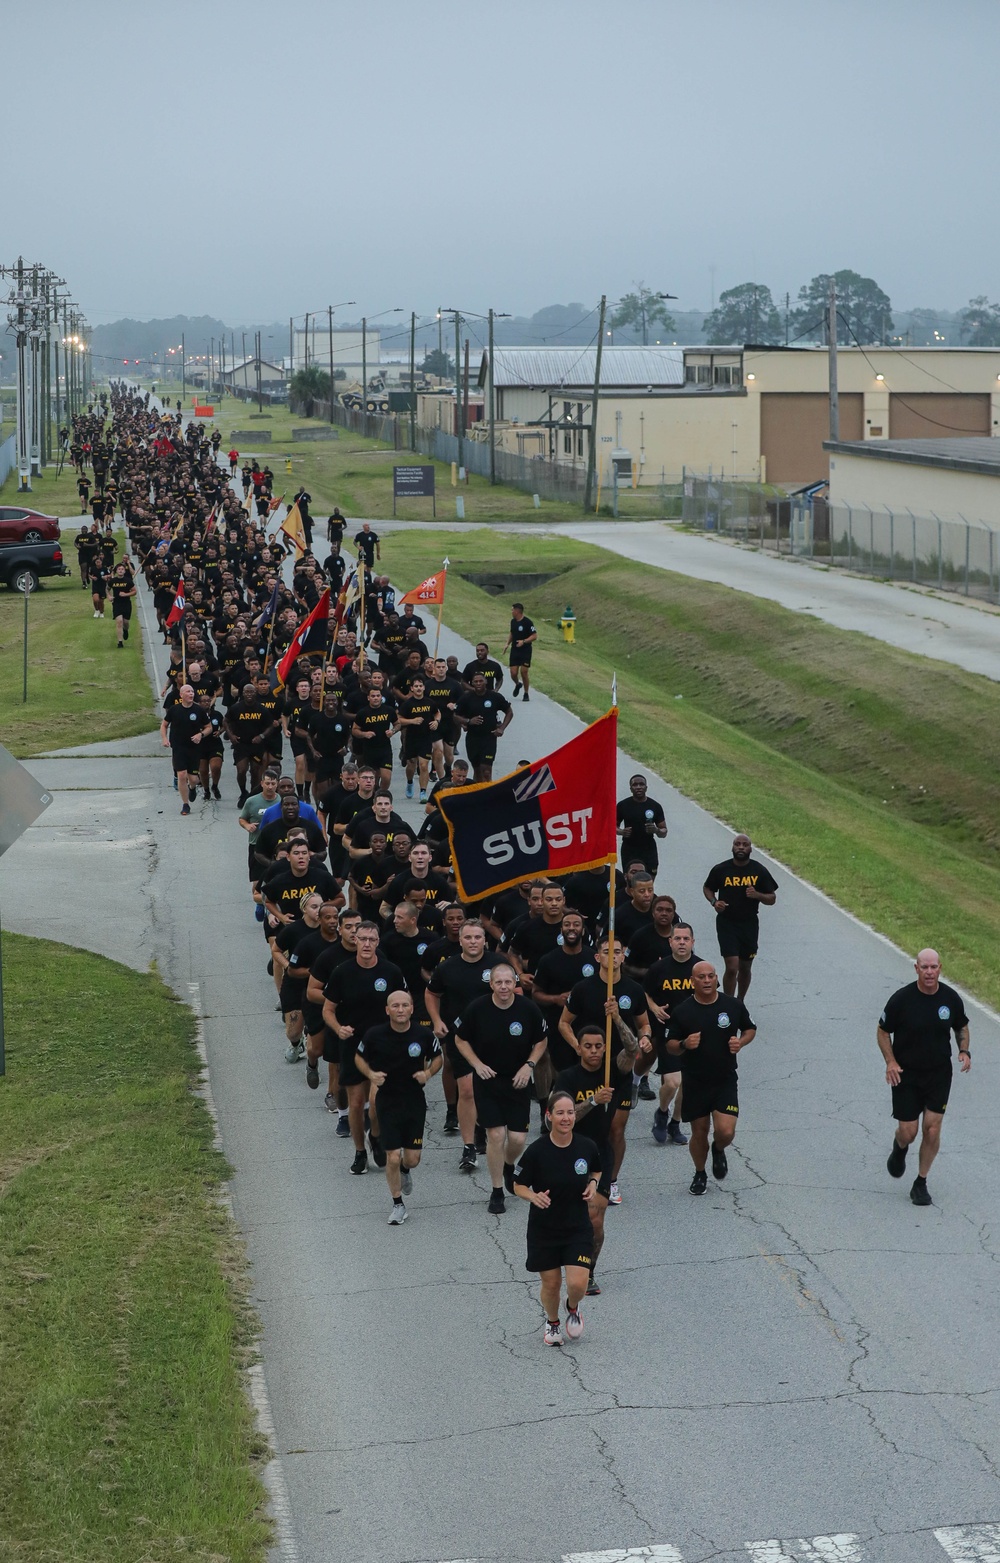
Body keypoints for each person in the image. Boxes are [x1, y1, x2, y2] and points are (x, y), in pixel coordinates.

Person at [554, 1020, 641, 1297]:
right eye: (588, 1046)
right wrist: (593, 1100)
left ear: (605, 1049)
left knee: (595, 1220)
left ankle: (588, 1271)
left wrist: (616, 1018)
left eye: (598, 1046)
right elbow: (556, 1122)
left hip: (599, 1154)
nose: (593, 1051)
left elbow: (632, 1048)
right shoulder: (567, 1078)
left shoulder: (612, 1072)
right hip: (568, 1152)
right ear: (578, 1048)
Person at [878, 948, 971, 1207]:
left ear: (940, 968)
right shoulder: (901, 999)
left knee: (932, 1128)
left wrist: (964, 1050)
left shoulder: (950, 998)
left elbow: (961, 1025)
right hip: (906, 1074)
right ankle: (900, 1147)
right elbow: (883, 1031)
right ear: (916, 968)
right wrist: (891, 1062)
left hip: (938, 1074)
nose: (929, 972)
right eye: (924, 967)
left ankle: (920, 1182)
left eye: (934, 967)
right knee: (909, 1132)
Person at [454, 963, 548, 1213]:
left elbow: (541, 1041)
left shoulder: (528, 1008)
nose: (504, 987)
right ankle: (497, 1192)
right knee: (495, 1136)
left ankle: (508, 1165)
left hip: (518, 1079)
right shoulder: (477, 1009)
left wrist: (529, 1065)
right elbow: (460, 1039)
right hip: (488, 1080)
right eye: (499, 982)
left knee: (517, 1139)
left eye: (508, 982)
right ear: (491, 984)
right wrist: (476, 1064)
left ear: (515, 982)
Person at [513, 1088, 601, 1346]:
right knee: (551, 1284)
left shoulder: (587, 1146)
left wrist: (594, 1183)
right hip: (545, 1230)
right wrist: (533, 1197)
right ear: (548, 1115)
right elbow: (517, 1185)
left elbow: (597, 1169)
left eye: (570, 1112)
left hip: (576, 1228)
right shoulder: (536, 1152)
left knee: (578, 1284)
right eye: (560, 1113)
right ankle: (552, 1324)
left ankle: (572, 1307)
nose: (566, 1118)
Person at [322, 922, 405, 1175]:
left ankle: (376, 1136)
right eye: (363, 939)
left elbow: (403, 1005)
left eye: (372, 939)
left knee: (377, 1102)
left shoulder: (390, 971)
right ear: (354, 941)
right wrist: (338, 1029)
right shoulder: (342, 972)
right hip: (353, 1045)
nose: (367, 944)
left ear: (378, 942)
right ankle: (360, 1151)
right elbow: (328, 1009)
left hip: (383, 1046)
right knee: (357, 1103)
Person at [666, 961, 755, 1195]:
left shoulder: (733, 1005)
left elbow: (750, 1028)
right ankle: (699, 1173)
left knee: (725, 1131)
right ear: (692, 981)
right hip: (695, 1081)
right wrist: (685, 1043)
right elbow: (670, 1045)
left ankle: (718, 1149)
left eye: (710, 976)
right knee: (699, 1131)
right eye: (701, 977)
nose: (707, 981)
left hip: (725, 1078)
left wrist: (740, 1042)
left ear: (717, 978)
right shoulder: (683, 1011)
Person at [355, 990, 443, 1224]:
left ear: (412, 1008)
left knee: (411, 1159)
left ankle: (405, 1170)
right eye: (395, 1006)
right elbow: (358, 1058)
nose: (400, 1010)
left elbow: (438, 1058)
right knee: (392, 1156)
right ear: (387, 1010)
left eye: (405, 1005)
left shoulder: (423, 1034)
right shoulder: (375, 1035)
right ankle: (398, 1205)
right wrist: (371, 1074)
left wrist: (428, 1073)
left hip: (414, 1102)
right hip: (387, 1102)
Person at [426, 919, 506, 1165]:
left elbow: (514, 993)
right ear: (459, 940)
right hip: (460, 1038)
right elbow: (431, 993)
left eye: (478, 937)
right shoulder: (447, 967)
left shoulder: (497, 965)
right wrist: (437, 1020)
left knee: (491, 1088)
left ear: (485, 940)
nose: (473, 942)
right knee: (468, 1090)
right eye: (468, 937)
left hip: (494, 1038)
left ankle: (485, 1128)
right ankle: (468, 1146)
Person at [702, 834, 778, 1000]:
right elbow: (708, 888)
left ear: (750, 849)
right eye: (738, 844)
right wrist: (715, 902)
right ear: (732, 847)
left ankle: (740, 1002)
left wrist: (757, 895)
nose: (741, 847)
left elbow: (772, 898)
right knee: (732, 967)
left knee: (745, 967)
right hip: (727, 923)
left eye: (745, 845)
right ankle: (728, 1003)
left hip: (749, 924)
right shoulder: (721, 869)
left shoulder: (758, 870)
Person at [644, 922, 697, 1146]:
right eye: (678, 939)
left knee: (688, 1084)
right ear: (670, 942)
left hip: (695, 1033)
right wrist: (654, 1007)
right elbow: (644, 992)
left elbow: (712, 996)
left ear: (693, 942)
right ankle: (662, 1113)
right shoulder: (659, 968)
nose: (682, 942)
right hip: (669, 1032)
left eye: (686, 939)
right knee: (673, 1082)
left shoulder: (700, 968)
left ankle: (675, 1124)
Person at [160, 684, 213, 816]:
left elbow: (209, 727)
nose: (191, 694)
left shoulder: (198, 710)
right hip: (178, 747)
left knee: (194, 779)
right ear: (181, 695)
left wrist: (200, 735)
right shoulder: (174, 710)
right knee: (182, 775)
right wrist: (164, 739)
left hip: (194, 748)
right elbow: (164, 725)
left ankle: (192, 787)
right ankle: (185, 804)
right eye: (188, 692)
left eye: (192, 692)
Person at [455, 671, 513, 783]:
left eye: (481, 681)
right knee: (477, 771)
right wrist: (467, 721)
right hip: (473, 738)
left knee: (486, 770)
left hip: (489, 738)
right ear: (472, 683)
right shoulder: (466, 698)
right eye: (475, 681)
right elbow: (455, 716)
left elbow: (509, 712)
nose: (478, 683)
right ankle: (478, 793)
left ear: (486, 681)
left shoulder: (495, 697)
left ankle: (488, 795)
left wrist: (502, 728)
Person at [616, 774, 668, 876]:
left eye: (641, 784)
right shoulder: (622, 805)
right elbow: (612, 827)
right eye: (635, 785)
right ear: (630, 788)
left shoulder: (655, 806)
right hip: (629, 849)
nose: (638, 787)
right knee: (631, 880)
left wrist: (656, 830)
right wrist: (622, 832)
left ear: (646, 787)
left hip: (648, 849)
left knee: (649, 880)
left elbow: (664, 831)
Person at [503, 601, 537, 701]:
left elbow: (534, 636)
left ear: (517, 611)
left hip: (525, 650)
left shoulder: (527, 622)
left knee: (524, 672)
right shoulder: (513, 621)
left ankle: (526, 693)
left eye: (512, 610)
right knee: (513, 673)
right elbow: (512, 633)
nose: (511, 611)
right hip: (515, 650)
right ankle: (518, 684)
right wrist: (507, 644)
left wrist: (524, 641)